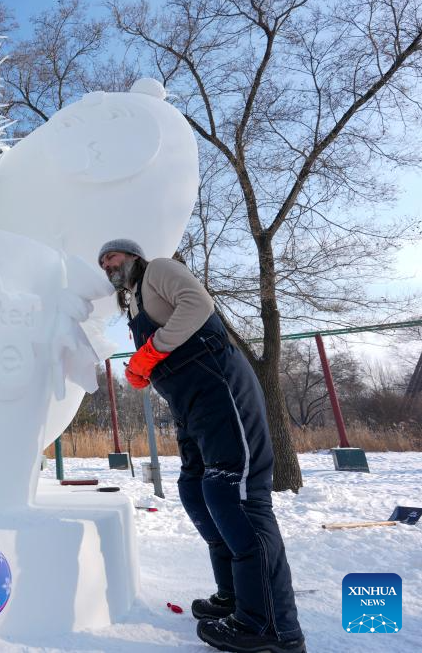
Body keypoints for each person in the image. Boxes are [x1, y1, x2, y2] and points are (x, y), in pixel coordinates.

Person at [98, 238, 305, 653]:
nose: (108, 264)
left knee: (235, 493)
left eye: (113, 256)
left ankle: (271, 626)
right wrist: (144, 371)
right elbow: (164, 348)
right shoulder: (135, 302)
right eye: (103, 262)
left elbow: (197, 306)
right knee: (196, 490)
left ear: (134, 255)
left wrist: (150, 352)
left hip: (221, 387)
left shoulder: (157, 268)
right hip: (191, 404)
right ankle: (236, 597)